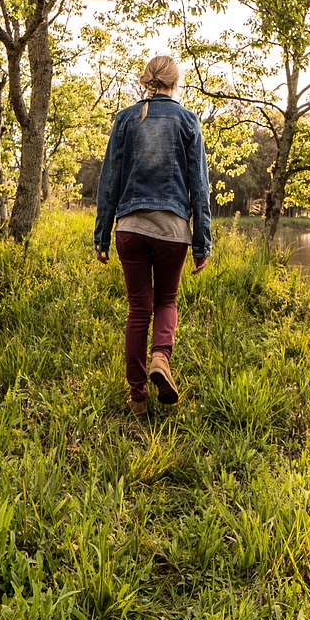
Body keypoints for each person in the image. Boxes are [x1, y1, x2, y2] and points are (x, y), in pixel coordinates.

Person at [93, 54, 211, 418]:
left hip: (130, 227)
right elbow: (199, 187)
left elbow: (109, 180)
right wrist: (202, 241)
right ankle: (161, 356)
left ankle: (138, 398)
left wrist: (101, 234)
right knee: (166, 301)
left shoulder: (126, 119)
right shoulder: (188, 120)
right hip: (173, 229)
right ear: (176, 82)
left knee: (137, 311)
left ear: (146, 82)